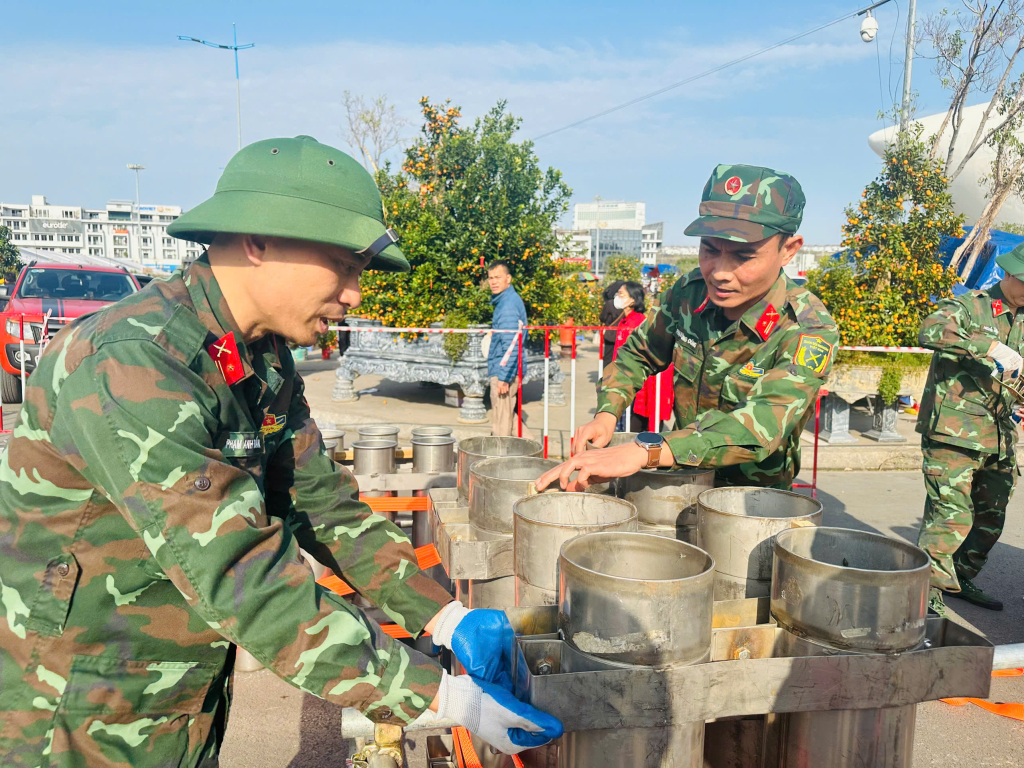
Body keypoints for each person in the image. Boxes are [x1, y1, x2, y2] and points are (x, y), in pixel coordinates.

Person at [0, 136, 561, 767]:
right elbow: (241, 571)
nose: (355, 294)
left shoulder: (259, 356)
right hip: (77, 705)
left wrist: (444, 616)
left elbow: (321, 503)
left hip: (174, 692)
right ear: (259, 241)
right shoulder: (134, 362)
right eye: (342, 265)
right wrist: (435, 696)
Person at [536, 163, 838, 493]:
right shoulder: (689, 293)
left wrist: (645, 451)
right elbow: (637, 355)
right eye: (709, 249)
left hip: (751, 505)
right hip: (682, 482)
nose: (720, 271)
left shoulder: (806, 328)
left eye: (744, 256)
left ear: (788, 250)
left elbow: (760, 427)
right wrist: (606, 414)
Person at [915, 243, 1024, 617]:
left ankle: (960, 578)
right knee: (950, 516)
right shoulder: (969, 305)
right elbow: (929, 329)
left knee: (991, 516)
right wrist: (987, 345)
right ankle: (923, 594)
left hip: (1000, 437)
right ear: (1008, 274)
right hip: (953, 433)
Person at [612, 281, 674, 432]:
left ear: (632, 299)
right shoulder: (624, 321)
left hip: (641, 382)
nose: (617, 297)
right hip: (625, 377)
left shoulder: (639, 323)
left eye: (621, 294)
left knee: (640, 424)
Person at [487, 259, 532, 438]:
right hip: (506, 368)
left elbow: (511, 344)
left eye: (498, 277)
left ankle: (500, 460)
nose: (493, 282)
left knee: (502, 422)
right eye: (490, 278)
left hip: (504, 370)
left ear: (508, 278)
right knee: (509, 418)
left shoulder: (507, 306)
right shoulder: (507, 301)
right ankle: (534, 454)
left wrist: (504, 377)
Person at [600, 279, 626, 368]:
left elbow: (603, 317)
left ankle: (606, 378)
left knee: (608, 357)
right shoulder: (628, 303)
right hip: (624, 334)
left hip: (610, 334)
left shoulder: (610, 303)